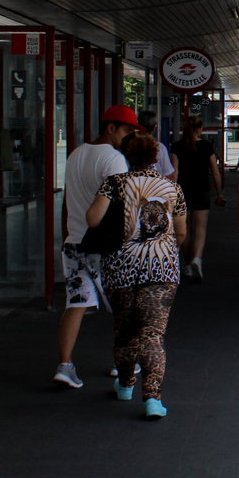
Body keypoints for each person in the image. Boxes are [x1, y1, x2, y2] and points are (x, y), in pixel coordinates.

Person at [87, 131, 186, 419]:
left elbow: (93, 220)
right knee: (153, 334)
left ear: (126, 156)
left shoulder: (114, 183)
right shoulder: (172, 188)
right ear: (155, 157)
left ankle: (126, 384)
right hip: (162, 270)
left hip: (121, 267)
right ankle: (153, 398)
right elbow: (181, 231)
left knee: (125, 330)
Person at [53, 105, 138, 389]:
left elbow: (68, 199)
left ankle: (65, 365)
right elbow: (122, 206)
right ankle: (123, 361)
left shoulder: (77, 153)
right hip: (104, 246)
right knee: (121, 304)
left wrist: (68, 230)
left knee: (75, 304)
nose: (128, 136)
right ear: (110, 128)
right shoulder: (114, 160)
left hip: (74, 242)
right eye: (126, 130)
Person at [172, 116, 224, 282]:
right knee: (200, 228)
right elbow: (215, 171)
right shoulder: (206, 146)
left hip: (182, 191)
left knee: (184, 229)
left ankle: (186, 265)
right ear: (199, 129)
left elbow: (175, 172)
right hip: (201, 189)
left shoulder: (177, 147)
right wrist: (219, 193)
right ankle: (197, 259)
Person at [137, 111, 176, 182]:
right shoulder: (159, 147)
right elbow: (169, 176)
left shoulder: (131, 145)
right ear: (154, 127)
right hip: (155, 189)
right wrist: (175, 163)